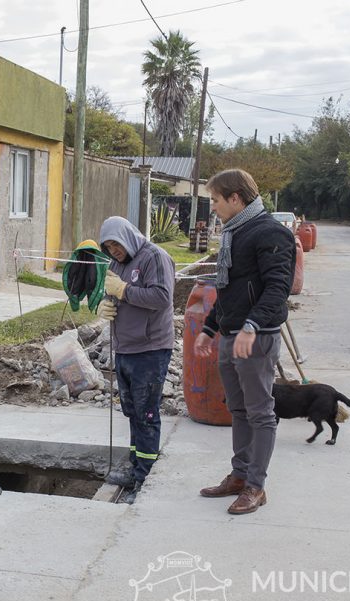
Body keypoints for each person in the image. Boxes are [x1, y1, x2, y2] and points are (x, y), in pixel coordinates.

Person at [194, 168, 295, 515]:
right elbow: (229, 289)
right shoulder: (234, 232)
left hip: (256, 337)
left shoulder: (270, 234)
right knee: (237, 410)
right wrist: (209, 328)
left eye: (216, 200)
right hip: (230, 335)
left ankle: (256, 485)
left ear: (236, 198)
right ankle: (239, 476)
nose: (214, 207)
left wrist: (251, 326)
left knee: (260, 413)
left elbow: (277, 288)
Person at [96, 216, 176, 505]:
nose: (114, 252)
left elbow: (162, 297)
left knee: (146, 413)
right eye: (108, 248)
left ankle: (145, 474)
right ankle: (135, 466)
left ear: (127, 237)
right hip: (125, 347)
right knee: (132, 411)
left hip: (150, 349)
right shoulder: (117, 264)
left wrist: (124, 291)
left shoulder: (155, 257)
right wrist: (108, 301)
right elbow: (114, 291)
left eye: (116, 245)